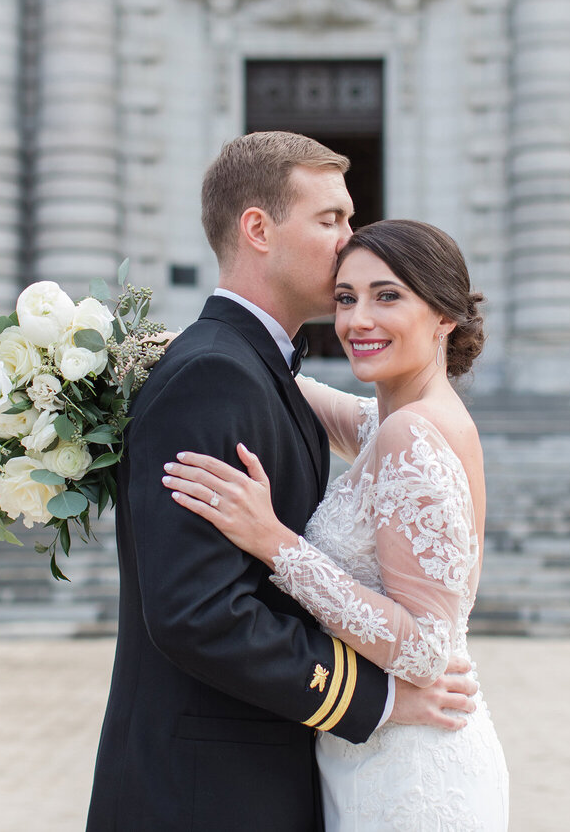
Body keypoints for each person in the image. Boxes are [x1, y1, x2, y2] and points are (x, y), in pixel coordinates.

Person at [87, 134, 479, 832]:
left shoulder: (254, 371)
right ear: (258, 229)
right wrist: (375, 700)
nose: (348, 242)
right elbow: (197, 612)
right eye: (331, 219)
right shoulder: (216, 374)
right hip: (205, 796)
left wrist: (275, 542)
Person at [164, 218, 510, 830]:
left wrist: (275, 543)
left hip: (411, 768)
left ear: (444, 317)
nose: (358, 321)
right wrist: (170, 347)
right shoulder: (398, 420)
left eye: (388, 296)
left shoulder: (411, 433)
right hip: (379, 751)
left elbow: (426, 649)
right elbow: (293, 386)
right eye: (346, 298)